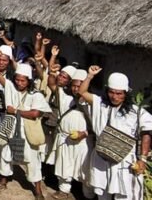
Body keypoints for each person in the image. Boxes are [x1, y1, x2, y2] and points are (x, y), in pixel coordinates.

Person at [79, 66, 152, 200]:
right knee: (103, 194)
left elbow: (146, 133)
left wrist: (142, 159)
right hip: (101, 156)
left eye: (119, 93)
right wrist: (90, 76)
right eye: (111, 92)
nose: (114, 96)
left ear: (126, 93)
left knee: (124, 195)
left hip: (124, 161)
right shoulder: (100, 104)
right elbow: (82, 92)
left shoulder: (136, 112)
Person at [0, 61, 51, 200]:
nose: (19, 83)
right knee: (5, 154)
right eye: (17, 79)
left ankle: (37, 189)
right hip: (10, 127)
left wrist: (16, 111)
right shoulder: (11, 87)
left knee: (32, 160)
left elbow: (35, 114)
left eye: (22, 80)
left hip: (27, 131)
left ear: (28, 81)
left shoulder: (35, 95)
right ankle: (4, 180)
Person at [48, 64, 93, 200]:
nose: (75, 88)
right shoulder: (65, 98)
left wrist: (83, 133)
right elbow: (51, 84)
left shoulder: (93, 103)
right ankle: (63, 191)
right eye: (73, 85)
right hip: (65, 138)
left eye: (79, 86)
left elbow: (96, 126)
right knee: (64, 165)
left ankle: (88, 195)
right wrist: (52, 72)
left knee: (84, 168)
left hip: (84, 141)